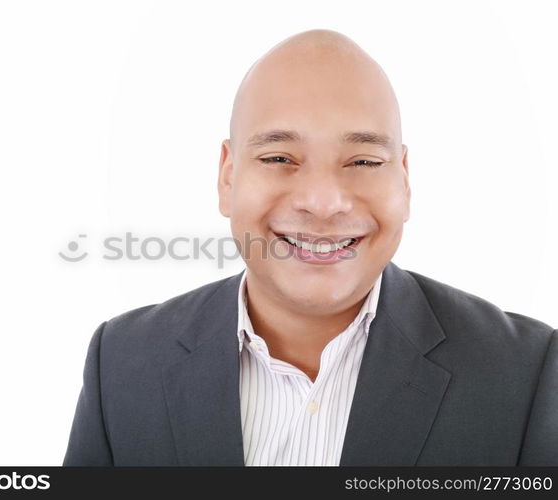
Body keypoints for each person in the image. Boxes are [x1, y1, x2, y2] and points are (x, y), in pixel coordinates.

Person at [63, 29, 557, 466]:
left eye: (363, 161)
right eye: (279, 156)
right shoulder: (123, 364)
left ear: (404, 180)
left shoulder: (527, 375)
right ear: (227, 176)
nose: (323, 204)